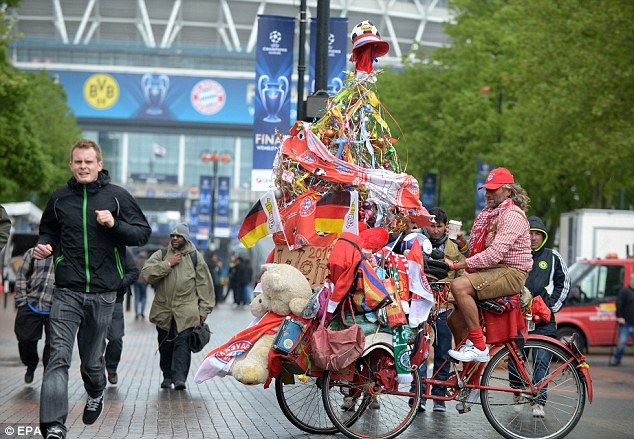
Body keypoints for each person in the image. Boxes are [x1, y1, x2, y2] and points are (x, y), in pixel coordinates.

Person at [33, 139, 151, 439]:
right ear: (71, 165)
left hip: (103, 295)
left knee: (90, 362)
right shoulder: (59, 199)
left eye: (89, 162)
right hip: (67, 291)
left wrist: (114, 224)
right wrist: (45, 246)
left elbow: (142, 233)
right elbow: (48, 229)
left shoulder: (117, 197)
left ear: (99, 164)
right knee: (57, 355)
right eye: (78, 162)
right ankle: (53, 425)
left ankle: (96, 390)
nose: (83, 166)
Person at [447, 167, 532, 363]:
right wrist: (464, 246)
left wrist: (461, 264)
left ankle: (478, 346)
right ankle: (471, 378)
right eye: (486, 190)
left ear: (508, 191)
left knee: (459, 286)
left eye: (493, 190)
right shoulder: (491, 215)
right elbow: (483, 254)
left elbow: (494, 255)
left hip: (511, 273)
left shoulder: (511, 216)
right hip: (494, 270)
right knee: (455, 321)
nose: (488, 194)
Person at [142, 223, 214, 391]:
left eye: (179, 236)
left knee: (183, 344)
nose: (175, 238)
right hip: (163, 310)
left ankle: (180, 378)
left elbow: (205, 285)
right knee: (165, 344)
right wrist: (167, 264)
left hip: (187, 310)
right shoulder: (161, 255)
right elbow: (146, 274)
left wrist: (204, 309)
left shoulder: (195, 257)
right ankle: (167, 375)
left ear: (185, 238)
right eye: (172, 236)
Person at [418, 207, 465, 412]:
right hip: (421, 305)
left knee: (443, 352)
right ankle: (417, 396)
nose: (435, 230)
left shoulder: (454, 248)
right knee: (418, 351)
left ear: (446, 227)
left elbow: (462, 274)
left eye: (439, 226)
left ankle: (438, 397)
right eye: (432, 225)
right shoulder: (418, 243)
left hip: (445, 307)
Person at [522, 215, 570, 417]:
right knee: (516, 359)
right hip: (520, 318)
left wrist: (552, 307)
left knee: (542, 361)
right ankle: (517, 392)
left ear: (543, 236)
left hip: (544, 321)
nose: (533, 238)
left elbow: (564, 282)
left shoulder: (553, 257)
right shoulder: (518, 254)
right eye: (529, 234)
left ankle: (538, 403)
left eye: (537, 234)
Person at [14, 247, 55, 384]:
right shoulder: (33, 253)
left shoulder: (68, 254)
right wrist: (22, 301)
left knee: (53, 346)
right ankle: (30, 364)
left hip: (55, 308)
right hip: (31, 304)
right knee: (25, 340)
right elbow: (21, 276)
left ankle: (48, 378)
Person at [105, 248, 139, 385]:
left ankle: (112, 368)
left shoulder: (122, 249)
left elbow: (134, 272)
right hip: (93, 298)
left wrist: (118, 283)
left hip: (115, 300)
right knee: (94, 340)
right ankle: (93, 372)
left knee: (116, 339)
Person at [610, 273, 634, 367]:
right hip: (626, 322)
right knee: (622, 343)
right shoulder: (624, 291)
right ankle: (616, 359)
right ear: (631, 280)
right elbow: (618, 304)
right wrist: (619, 317)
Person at [133, 250, 149, 319]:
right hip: (144, 282)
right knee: (144, 297)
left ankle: (136, 313)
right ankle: (142, 312)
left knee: (136, 297)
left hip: (136, 281)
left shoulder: (136, 261)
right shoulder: (147, 262)